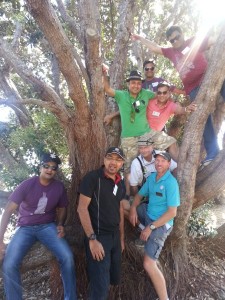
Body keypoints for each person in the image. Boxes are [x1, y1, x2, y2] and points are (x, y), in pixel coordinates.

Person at [132, 26, 225, 167]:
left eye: (177, 37)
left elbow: (215, 41)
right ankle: (213, 152)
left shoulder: (194, 42)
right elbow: (155, 48)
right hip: (193, 89)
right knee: (202, 117)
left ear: (182, 34)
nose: (175, 41)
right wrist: (140, 38)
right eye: (171, 40)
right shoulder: (171, 52)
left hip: (209, 77)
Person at [0, 153, 77, 300]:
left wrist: (60, 224)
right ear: (39, 167)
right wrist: (0, 239)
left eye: (53, 168)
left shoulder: (59, 187)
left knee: (67, 257)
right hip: (25, 228)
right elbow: (8, 210)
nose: (49, 170)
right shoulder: (27, 184)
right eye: (46, 166)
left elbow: (62, 208)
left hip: (47, 226)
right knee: (9, 265)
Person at [129, 151, 180, 300]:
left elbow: (172, 213)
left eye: (163, 161)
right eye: (157, 160)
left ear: (169, 164)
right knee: (124, 206)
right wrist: (133, 209)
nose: (159, 163)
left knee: (149, 264)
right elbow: (139, 195)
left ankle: (164, 298)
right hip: (147, 214)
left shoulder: (171, 183)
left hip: (160, 224)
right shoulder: (152, 178)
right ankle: (141, 230)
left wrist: (150, 228)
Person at [77, 147, 126, 300]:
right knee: (100, 287)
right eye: (110, 158)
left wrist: (121, 239)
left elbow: (119, 209)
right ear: (104, 160)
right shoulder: (92, 178)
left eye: (118, 159)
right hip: (98, 237)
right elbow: (81, 208)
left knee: (112, 279)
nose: (113, 162)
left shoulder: (120, 183)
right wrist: (92, 239)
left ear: (122, 163)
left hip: (115, 238)